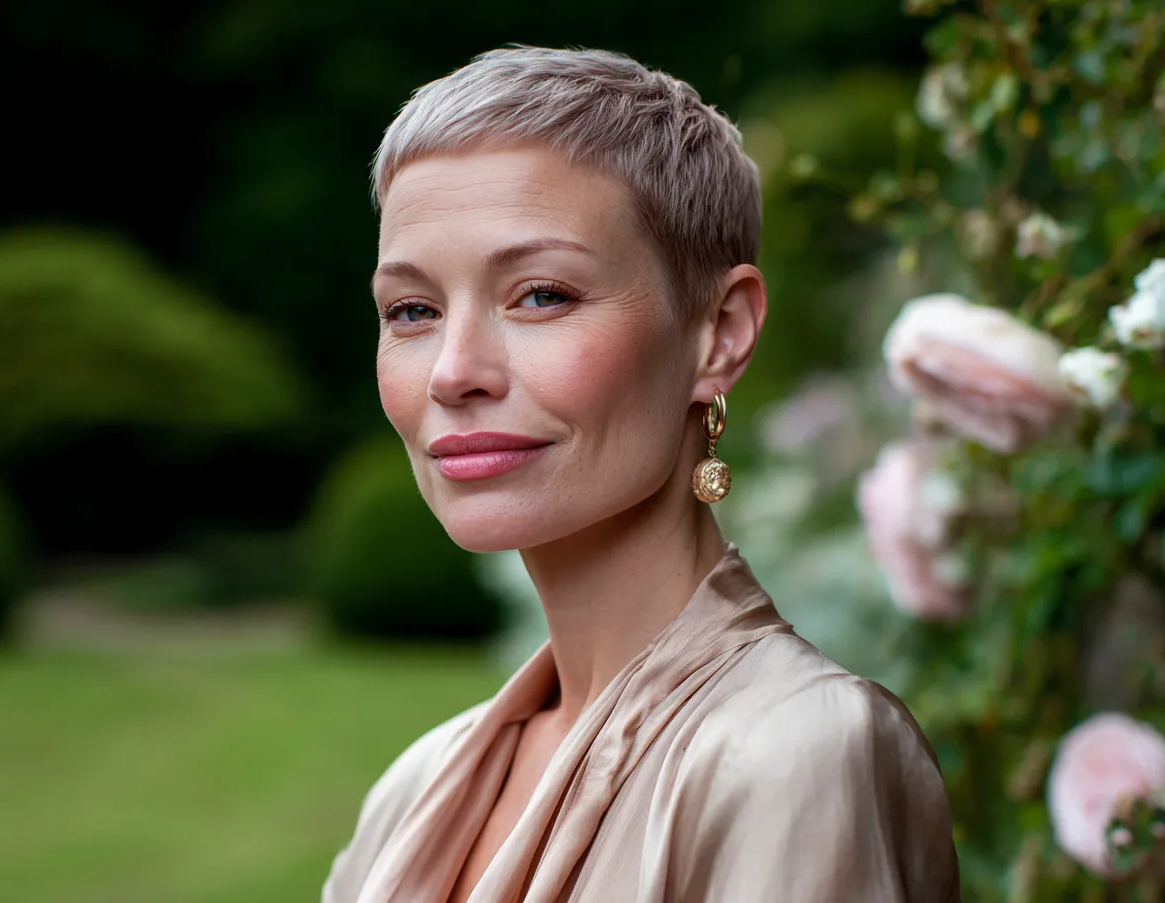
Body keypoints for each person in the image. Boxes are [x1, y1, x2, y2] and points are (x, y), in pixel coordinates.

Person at [322, 46, 960, 903]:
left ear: (720, 332)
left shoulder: (793, 750)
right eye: (413, 311)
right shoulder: (414, 786)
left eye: (541, 294)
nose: (452, 370)